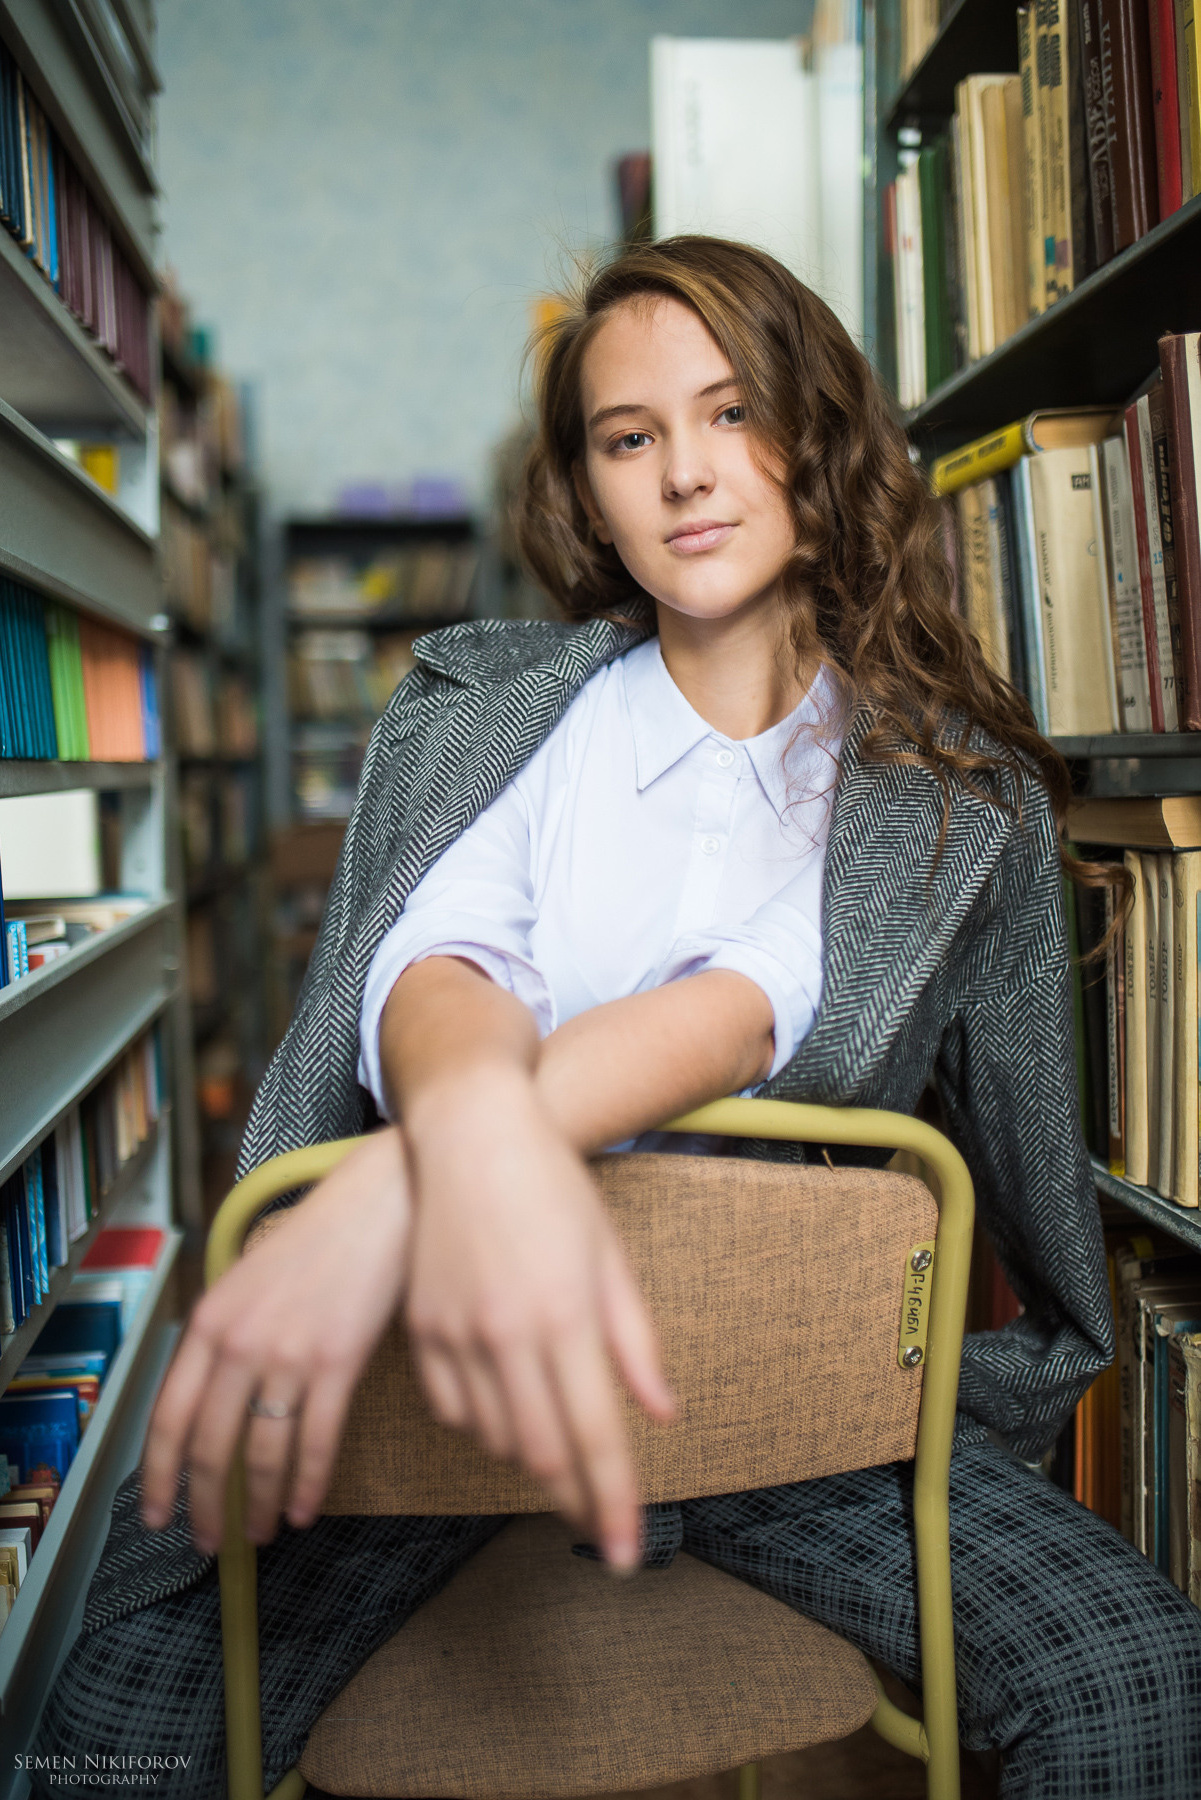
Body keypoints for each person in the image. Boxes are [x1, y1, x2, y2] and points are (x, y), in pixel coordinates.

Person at [32, 237, 1201, 1799]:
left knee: (1131, 1673)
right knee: (119, 1712)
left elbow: (745, 1009)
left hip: (784, 1401)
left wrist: (411, 1173)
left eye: (730, 414)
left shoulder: (944, 795)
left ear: (818, 436)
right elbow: (434, 973)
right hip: (430, 1395)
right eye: (628, 436)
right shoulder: (498, 715)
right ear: (583, 488)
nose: (684, 476)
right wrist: (469, 1132)